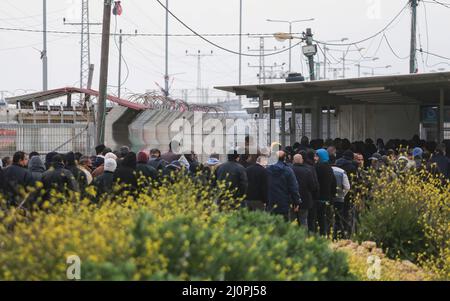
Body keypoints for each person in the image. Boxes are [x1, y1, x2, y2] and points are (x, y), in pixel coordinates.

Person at [266, 151, 301, 222]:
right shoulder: (288, 170)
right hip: (284, 202)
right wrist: (296, 201)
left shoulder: (267, 170)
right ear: (284, 158)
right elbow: (294, 187)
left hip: (270, 201)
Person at [291, 153, 318, 227]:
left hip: (292, 200)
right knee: (303, 221)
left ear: (293, 161)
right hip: (305, 200)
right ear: (302, 160)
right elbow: (313, 186)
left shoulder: (289, 170)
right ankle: (303, 237)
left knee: (292, 221)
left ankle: (292, 237)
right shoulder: (307, 171)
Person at [315, 149, 337, 237]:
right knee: (328, 218)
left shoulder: (317, 167)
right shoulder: (329, 168)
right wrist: (333, 194)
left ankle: (321, 235)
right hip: (328, 198)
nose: (315, 158)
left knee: (319, 218)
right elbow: (334, 183)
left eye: (317, 156)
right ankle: (328, 235)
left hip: (319, 198)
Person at [331, 164, 351, 240]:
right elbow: (347, 187)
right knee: (338, 218)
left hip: (328, 198)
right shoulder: (342, 172)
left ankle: (328, 234)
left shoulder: (327, 169)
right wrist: (343, 195)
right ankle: (338, 236)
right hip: (339, 198)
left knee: (328, 217)